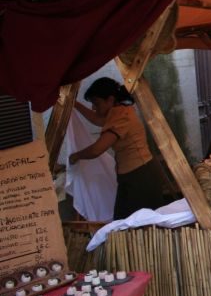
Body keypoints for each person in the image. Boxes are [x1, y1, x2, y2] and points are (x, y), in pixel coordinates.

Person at [70, 77, 166, 220]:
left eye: (96, 103)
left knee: (132, 225)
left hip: (141, 177)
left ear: (110, 100)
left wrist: (76, 156)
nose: (94, 108)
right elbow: (96, 119)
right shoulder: (117, 112)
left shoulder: (121, 115)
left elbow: (97, 149)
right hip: (135, 176)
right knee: (127, 224)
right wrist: (73, 104)